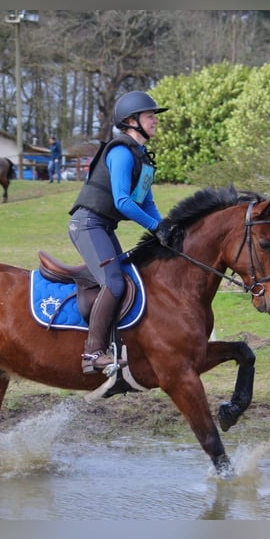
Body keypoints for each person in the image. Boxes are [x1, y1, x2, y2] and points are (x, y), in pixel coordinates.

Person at [68, 90, 176, 374]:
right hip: (87, 225)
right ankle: (92, 355)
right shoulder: (120, 153)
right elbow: (123, 202)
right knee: (114, 284)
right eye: (150, 116)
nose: (155, 121)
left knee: (126, 279)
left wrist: (164, 229)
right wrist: (154, 226)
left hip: (102, 227)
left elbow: (148, 202)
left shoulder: (143, 158)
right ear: (132, 121)